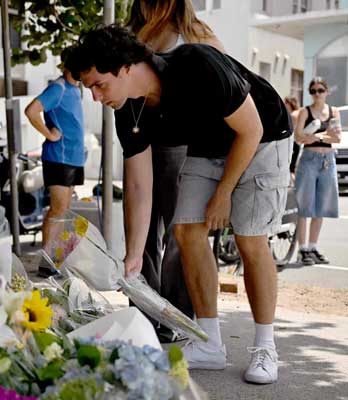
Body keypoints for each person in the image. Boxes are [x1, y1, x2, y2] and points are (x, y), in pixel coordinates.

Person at [70, 24, 292, 384]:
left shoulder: (196, 64)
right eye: (89, 88)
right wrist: (135, 256)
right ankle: (209, 344)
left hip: (263, 136)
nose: (95, 97)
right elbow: (140, 186)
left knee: (250, 239)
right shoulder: (127, 109)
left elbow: (249, 130)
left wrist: (223, 193)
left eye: (99, 84)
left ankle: (266, 346)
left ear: (126, 67)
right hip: (209, 146)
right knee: (187, 231)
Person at [122, 0, 226, 342]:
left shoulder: (196, 33)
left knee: (180, 233)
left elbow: (223, 84)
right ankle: (144, 309)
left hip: (183, 146)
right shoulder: (132, 32)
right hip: (140, 142)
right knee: (140, 231)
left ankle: (177, 313)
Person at [24, 48, 85, 261]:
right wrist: (49, 134)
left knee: (65, 210)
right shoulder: (58, 88)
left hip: (74, 157)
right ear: (67, 65)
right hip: (58, 157)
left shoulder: (77, 89)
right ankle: (47, 260)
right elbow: (31, 110)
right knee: (58, 209)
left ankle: (56, 259)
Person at [293, 78, 342, 265]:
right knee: (305, 206)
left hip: (327, 161)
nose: (317, 94)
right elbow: (299, 136)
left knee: (321, 206)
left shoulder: (333, 112)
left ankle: (313, 246)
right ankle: (302, 249)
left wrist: (315, 135)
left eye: (320, 90)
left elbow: (336, 138)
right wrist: (322, 134)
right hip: (309, 161)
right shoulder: (305, 112)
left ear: (327, 91)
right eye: (313, 90)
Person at [285, 96, 301, 178]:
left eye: (286, 103)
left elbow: (291, 130)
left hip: (293, 142)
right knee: (293, 167)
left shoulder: (293, 114)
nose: (284, 105)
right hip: (297, 143)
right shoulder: (298, 112)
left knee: (291, 168)